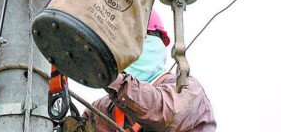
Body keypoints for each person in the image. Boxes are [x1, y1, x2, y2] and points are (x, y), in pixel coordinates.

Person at [84, 10, 216, 132]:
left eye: (140, 39)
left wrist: (111, 77)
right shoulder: (102, 109)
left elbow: (161, 112)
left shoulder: (188, 89)